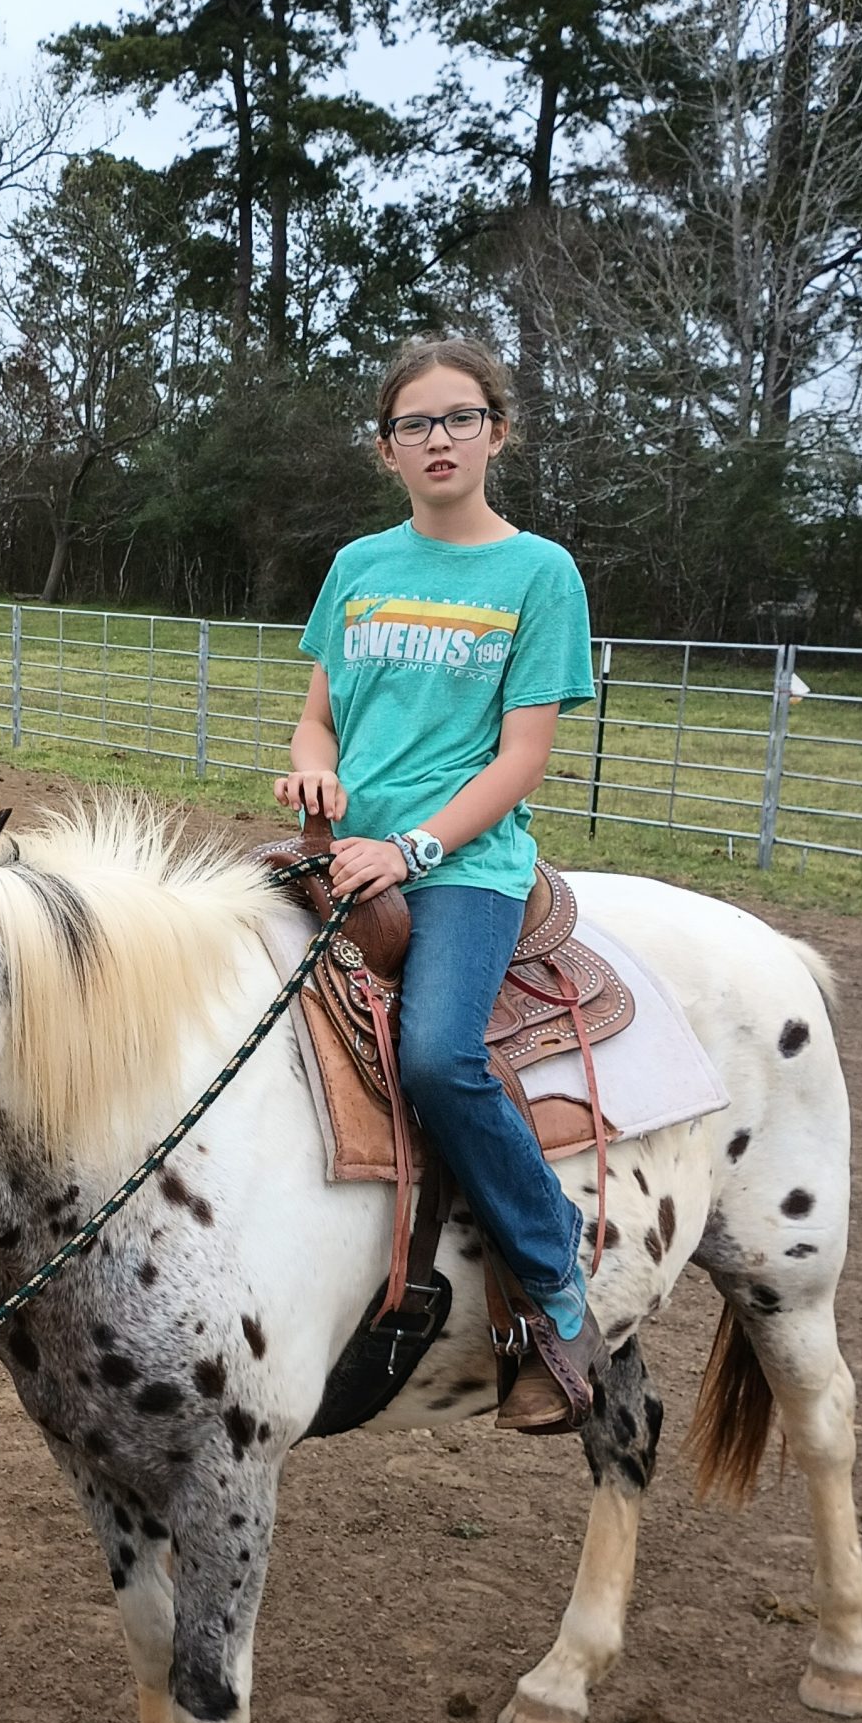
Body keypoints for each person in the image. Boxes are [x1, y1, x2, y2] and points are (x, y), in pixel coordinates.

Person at [276, 335, 605, 1427]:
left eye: (460, 417)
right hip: (343, 849)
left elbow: (521, 759)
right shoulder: (358, 566)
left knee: (435, 1054)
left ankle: (552, 1277)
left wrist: (410, 849)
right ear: (386, 449)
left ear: (495, 432)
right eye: (412, 424)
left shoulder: (538, 573)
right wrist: (315, 771)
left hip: (464, 866)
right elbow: (319, 717)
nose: (438, 440)